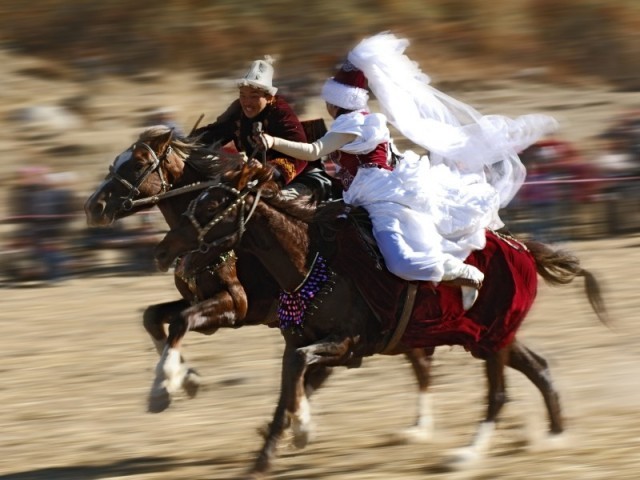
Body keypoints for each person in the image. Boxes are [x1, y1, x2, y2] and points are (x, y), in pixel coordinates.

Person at [256, 33, 558, 310]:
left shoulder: (356, 124)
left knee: (403, 264)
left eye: (328, 100)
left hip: (384, 200)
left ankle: (465, 273)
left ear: (338, 102)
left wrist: (272, 140)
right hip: (360, 199)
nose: (325, 105)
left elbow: (314, 151)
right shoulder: (351, 123)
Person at [193, 56, 334, 200]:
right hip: (255, 177)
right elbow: (216, 131)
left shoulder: (281, 112)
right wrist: (185, 144)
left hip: (299, 178)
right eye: (243, 95)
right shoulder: (238, 109)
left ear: (268, 96)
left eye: (254, 96)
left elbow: (300, 155)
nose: (247, 102)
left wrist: (267, 170)